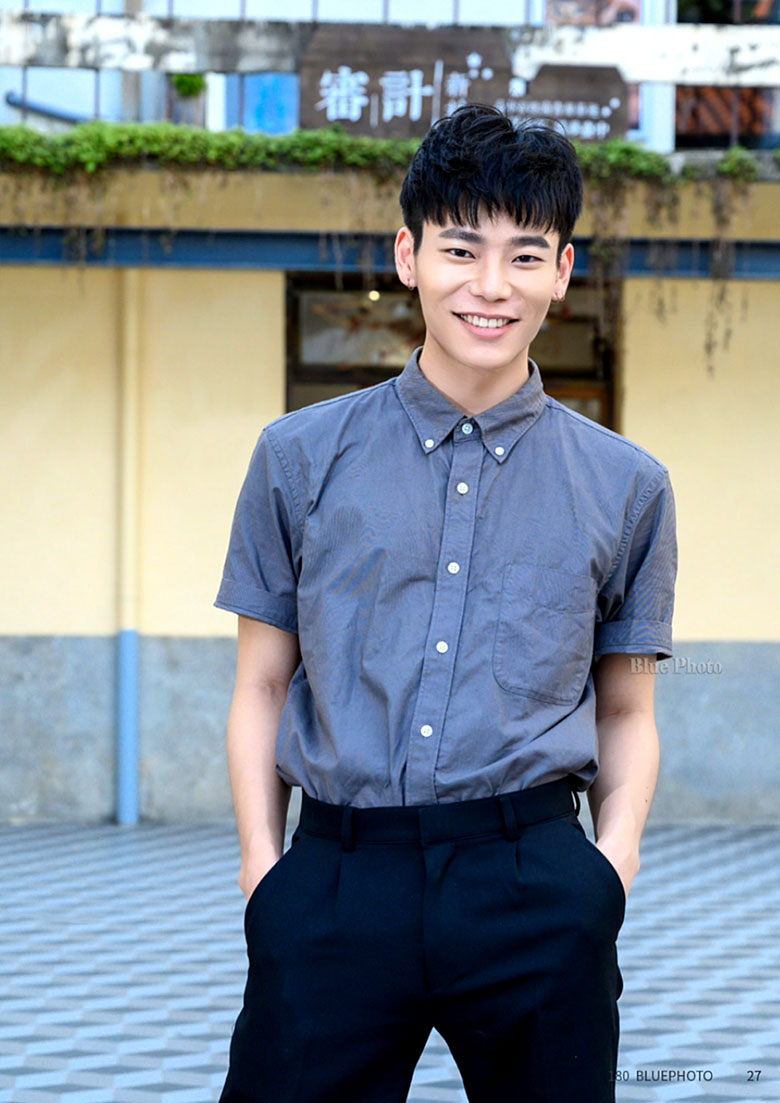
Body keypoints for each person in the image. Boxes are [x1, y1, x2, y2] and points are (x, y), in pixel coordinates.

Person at [213, 103, 677, 1103]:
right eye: (462, 249)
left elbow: (627, 706)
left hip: (533, 882)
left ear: (563, 271)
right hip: (336, 879)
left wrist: (609, 871)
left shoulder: (627, 485)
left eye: (525, 255)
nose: (490, 285)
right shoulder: (298, 457)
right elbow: (261, 686)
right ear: (409, 255)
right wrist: (264, 873)